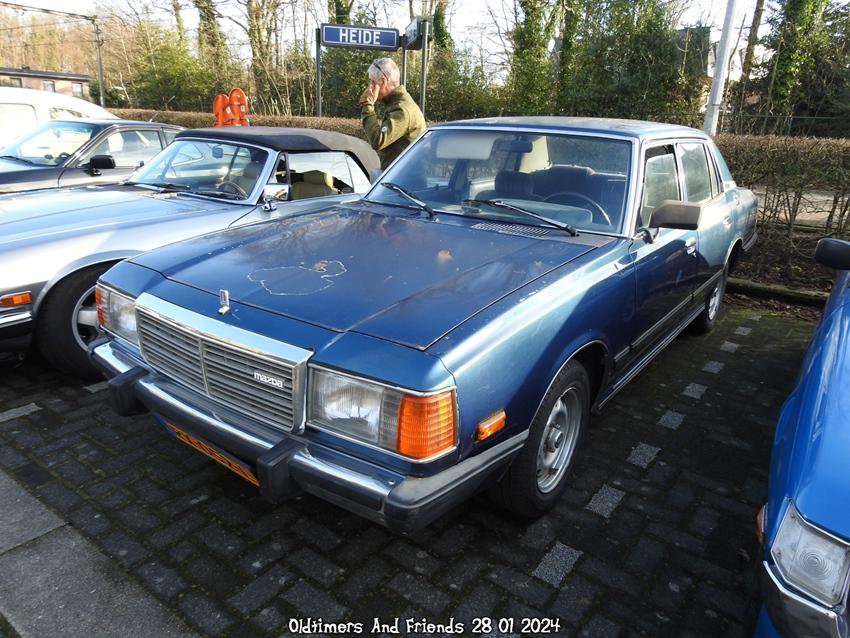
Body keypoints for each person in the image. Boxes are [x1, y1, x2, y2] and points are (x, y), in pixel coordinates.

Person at [359, 58, 426, 170]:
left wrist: (368, 105)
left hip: (406, 179)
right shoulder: (397, 104)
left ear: (383, 82)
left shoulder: (402, 110)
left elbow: (378, 140)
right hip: (401, 177)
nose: (369, 87)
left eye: (372, 82)